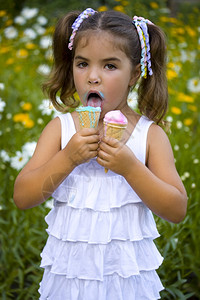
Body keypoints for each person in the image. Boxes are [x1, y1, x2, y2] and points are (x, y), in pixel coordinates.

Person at [13, 8, 187, 300]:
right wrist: (67, 158)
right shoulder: (61, 130)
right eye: (82, 64)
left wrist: (131, 168)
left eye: (109, 66)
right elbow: (23, 196)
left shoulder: (149, 136)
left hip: (126, 282)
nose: (93, 77)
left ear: (134, 74)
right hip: (69, 280)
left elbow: (176, 209)